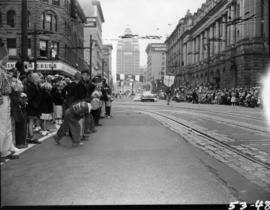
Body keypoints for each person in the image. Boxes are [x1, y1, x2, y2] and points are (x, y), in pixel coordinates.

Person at [0, 43, 20, 162]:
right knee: (3, 126)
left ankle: (8, 147)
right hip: (2, 99)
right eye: (5, 57)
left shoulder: (3, 70)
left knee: (7, 125)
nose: (7, 59)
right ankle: (3, 150)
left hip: (6, 98)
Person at [24, 72, 42, 143]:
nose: (40, 79)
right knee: (31, 121)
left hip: (34, 106)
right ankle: (31, 137)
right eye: (38, 77)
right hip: (32, 107)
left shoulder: (35, 86)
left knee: (31, 121)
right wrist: (35, 105)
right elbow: (30, 97)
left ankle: (30, 136)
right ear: (35, 78)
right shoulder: (31, 86)